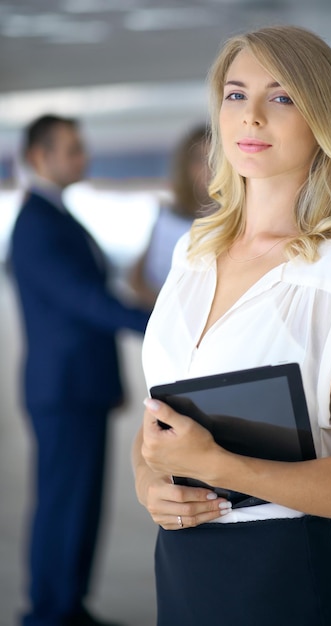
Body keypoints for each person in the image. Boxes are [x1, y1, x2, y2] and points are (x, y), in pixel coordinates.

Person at [131, 25, 331, 626]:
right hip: (179, 570)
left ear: (321, 122)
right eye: (235, 95)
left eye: (280, 98)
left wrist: (220, 468)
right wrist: (150, 486)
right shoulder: (193, 253)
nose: (250, 116)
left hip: (279, 578)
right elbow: (157, 419)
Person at [10, 114, 150, 626]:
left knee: (80, 506)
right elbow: (86, 300)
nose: (82, 157)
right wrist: (154, 323)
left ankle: (68, 607)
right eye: (71, 149)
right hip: (63, 389)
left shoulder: (55, 217)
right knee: (62, 505)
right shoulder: (36, 226)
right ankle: (49, 612)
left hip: (77, 386)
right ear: (38, 157)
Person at [128, 124, 211, 310]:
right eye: (200, 159)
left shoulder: (237, 219)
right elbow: (137, 276)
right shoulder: (167, 215)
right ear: (186, 166)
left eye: (216, 158)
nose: (209, 169)